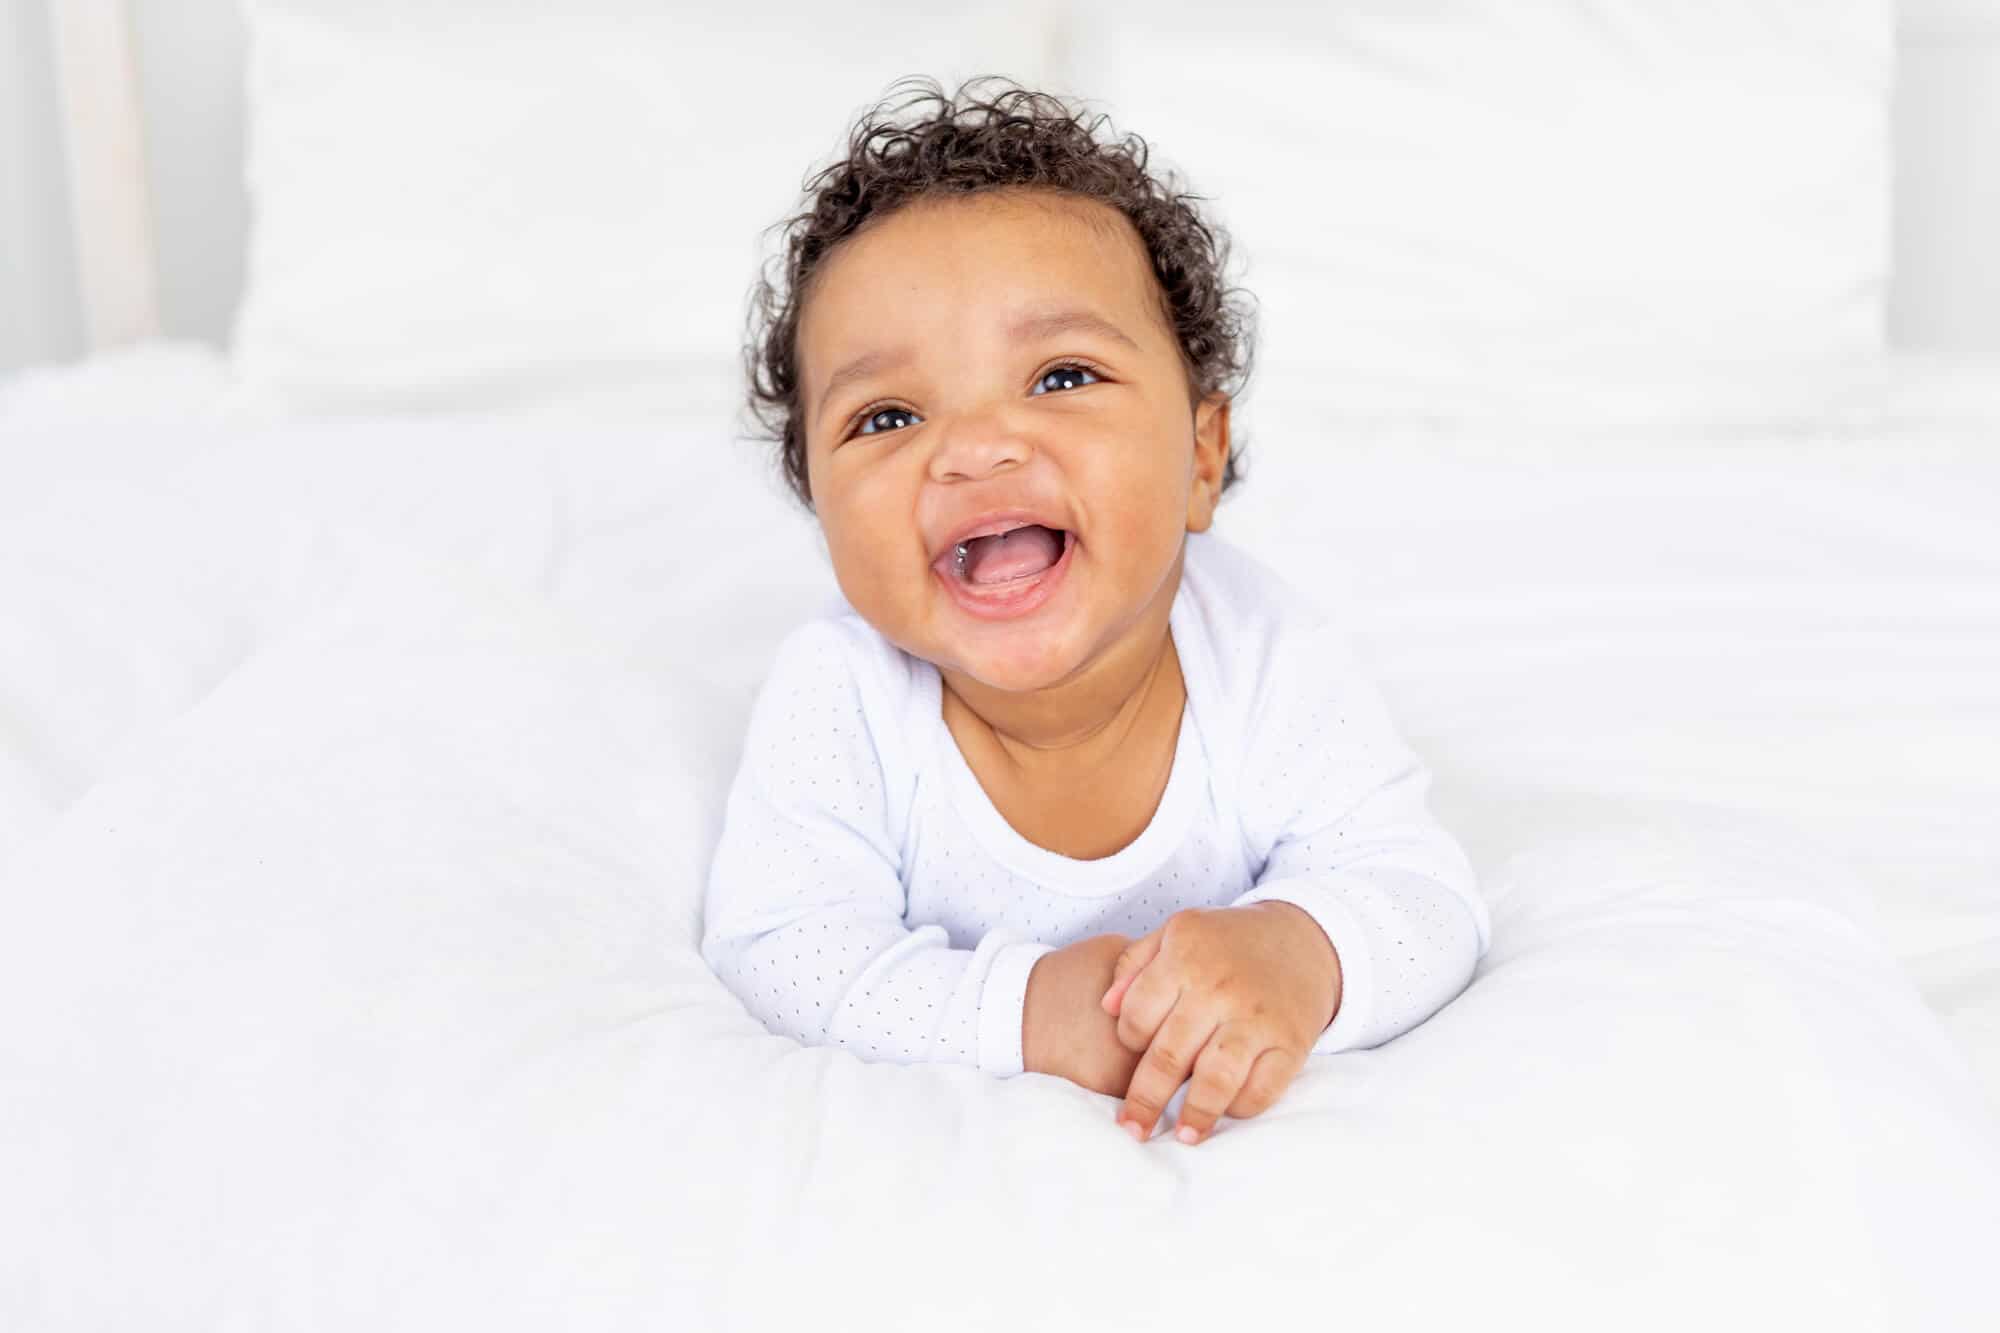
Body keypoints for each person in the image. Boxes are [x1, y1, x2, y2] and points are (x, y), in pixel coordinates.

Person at [702, 76, 1489, 1148]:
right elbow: (782, 950)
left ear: (1200, 457)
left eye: (1061, 376)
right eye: (886, 414)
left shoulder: (1262, 654)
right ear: (819, 509)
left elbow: (1420, 891)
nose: (976, 446)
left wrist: (1302, 950)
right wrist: (1028, 1014)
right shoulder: (839, 694)